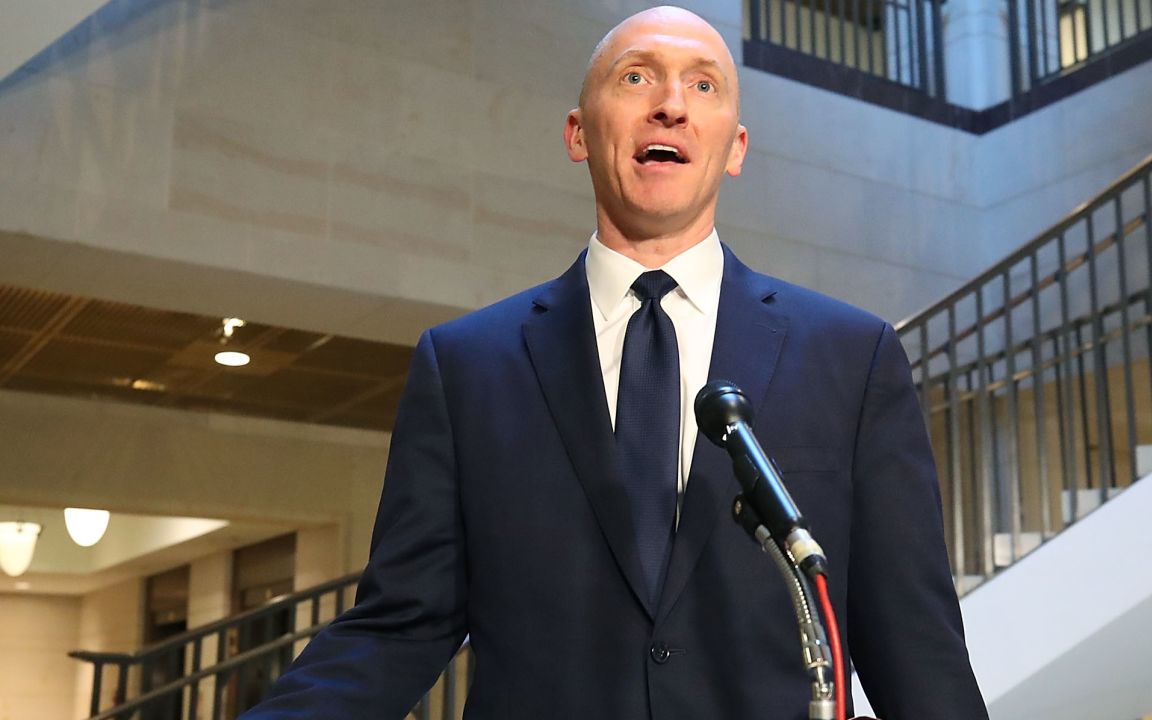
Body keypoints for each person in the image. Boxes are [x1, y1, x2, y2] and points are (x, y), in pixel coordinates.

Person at [243, 6, 987, 719]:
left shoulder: (852, 359)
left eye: (703, 84)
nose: (670, 104)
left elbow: (913, 644)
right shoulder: (466, 367)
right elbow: (399, 626)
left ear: (735, 148)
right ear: (578, 133)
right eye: (636, 77)